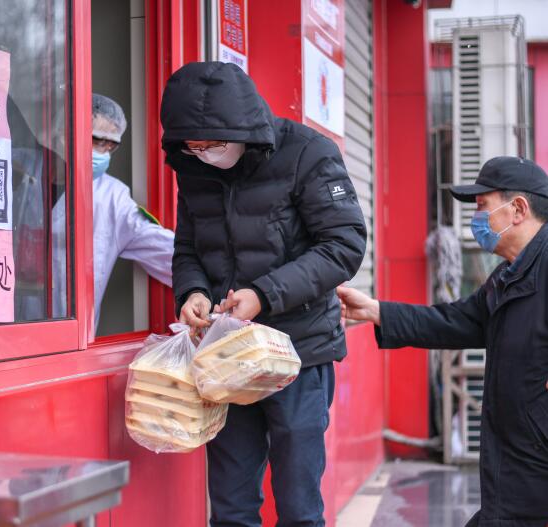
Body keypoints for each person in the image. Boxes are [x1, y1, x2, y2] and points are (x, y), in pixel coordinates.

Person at [160, 61, 367, 526]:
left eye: (212, 145)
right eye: (193, 148)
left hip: (299, 353)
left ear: (243, 131)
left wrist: (264, 294)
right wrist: (191, 290)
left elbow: (344, 245)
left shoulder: (308, 153)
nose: (203, 155)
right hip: (225, 356)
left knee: (298, 506)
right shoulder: (192, 167)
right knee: (231, 505)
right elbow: (188, 245)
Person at [337, 156, 548, 526]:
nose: (476, 221)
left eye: (483, 207)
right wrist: (377, 311)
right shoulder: (507, 277)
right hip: (514, 463)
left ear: (517, 209)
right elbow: (455, 321)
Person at [52, 94, 174, 329]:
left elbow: (168, 251)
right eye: (98, 141)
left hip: (68, 343)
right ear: (64, 133)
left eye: (112, 145)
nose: (104, 153)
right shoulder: (19, 171)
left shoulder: (113, 197)